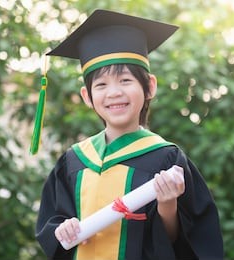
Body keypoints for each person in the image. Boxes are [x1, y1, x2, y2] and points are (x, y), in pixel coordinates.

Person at [35, 9, 224, 260]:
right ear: (87, 97)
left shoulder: (166, 159)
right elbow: (52, 224)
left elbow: (184, 243)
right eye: (101, 85)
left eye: (125, 80)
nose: (113, 92)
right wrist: (62, 229)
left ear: (149, 87)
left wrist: (168, 205)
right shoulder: (73, 161)